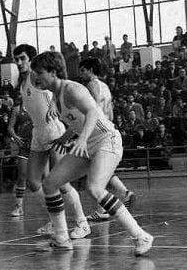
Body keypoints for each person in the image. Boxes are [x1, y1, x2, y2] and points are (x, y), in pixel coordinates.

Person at [30, 51, 153, 255]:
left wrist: (82, 139)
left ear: (53, 71)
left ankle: (141, 235)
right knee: (50, 184)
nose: (36, 77)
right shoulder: (54, 95)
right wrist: (65, 137)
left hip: (107, 140)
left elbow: (93, 112)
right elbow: (76, 119)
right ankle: (61, 238)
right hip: (87, 145)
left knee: (95, 188)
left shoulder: (72, 89)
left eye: (39, 72)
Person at [12, 44, 90, 239]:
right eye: (17, 59)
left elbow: (58, 84)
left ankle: (82, 222)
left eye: (22, 58)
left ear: (31, 60)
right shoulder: (21, 83)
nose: (19, 62)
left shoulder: (37, 76)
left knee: (61, 183)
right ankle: (54, 221)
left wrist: (56, 103)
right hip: (38, 132)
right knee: (33, 182)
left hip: (54, 129)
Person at [78, 57, 136, 222]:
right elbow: (109, 111)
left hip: (96, 129)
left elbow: (93, 108)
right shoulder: (105, 86)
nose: (81, 74)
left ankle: (103, 208)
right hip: (107, 126)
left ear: (90, 70)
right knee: (99, 169)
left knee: (95, 171)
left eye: (83, 70)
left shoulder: (91, 85)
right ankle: (124, 193)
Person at [7, 96, 32, 217]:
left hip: (38, 144)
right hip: (24, 145)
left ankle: (50, 207)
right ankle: (19, 206)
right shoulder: (18, 109)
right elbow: (10, 127)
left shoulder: (38, 106)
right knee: (22, 176)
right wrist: (15, 137)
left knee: (44, 178)